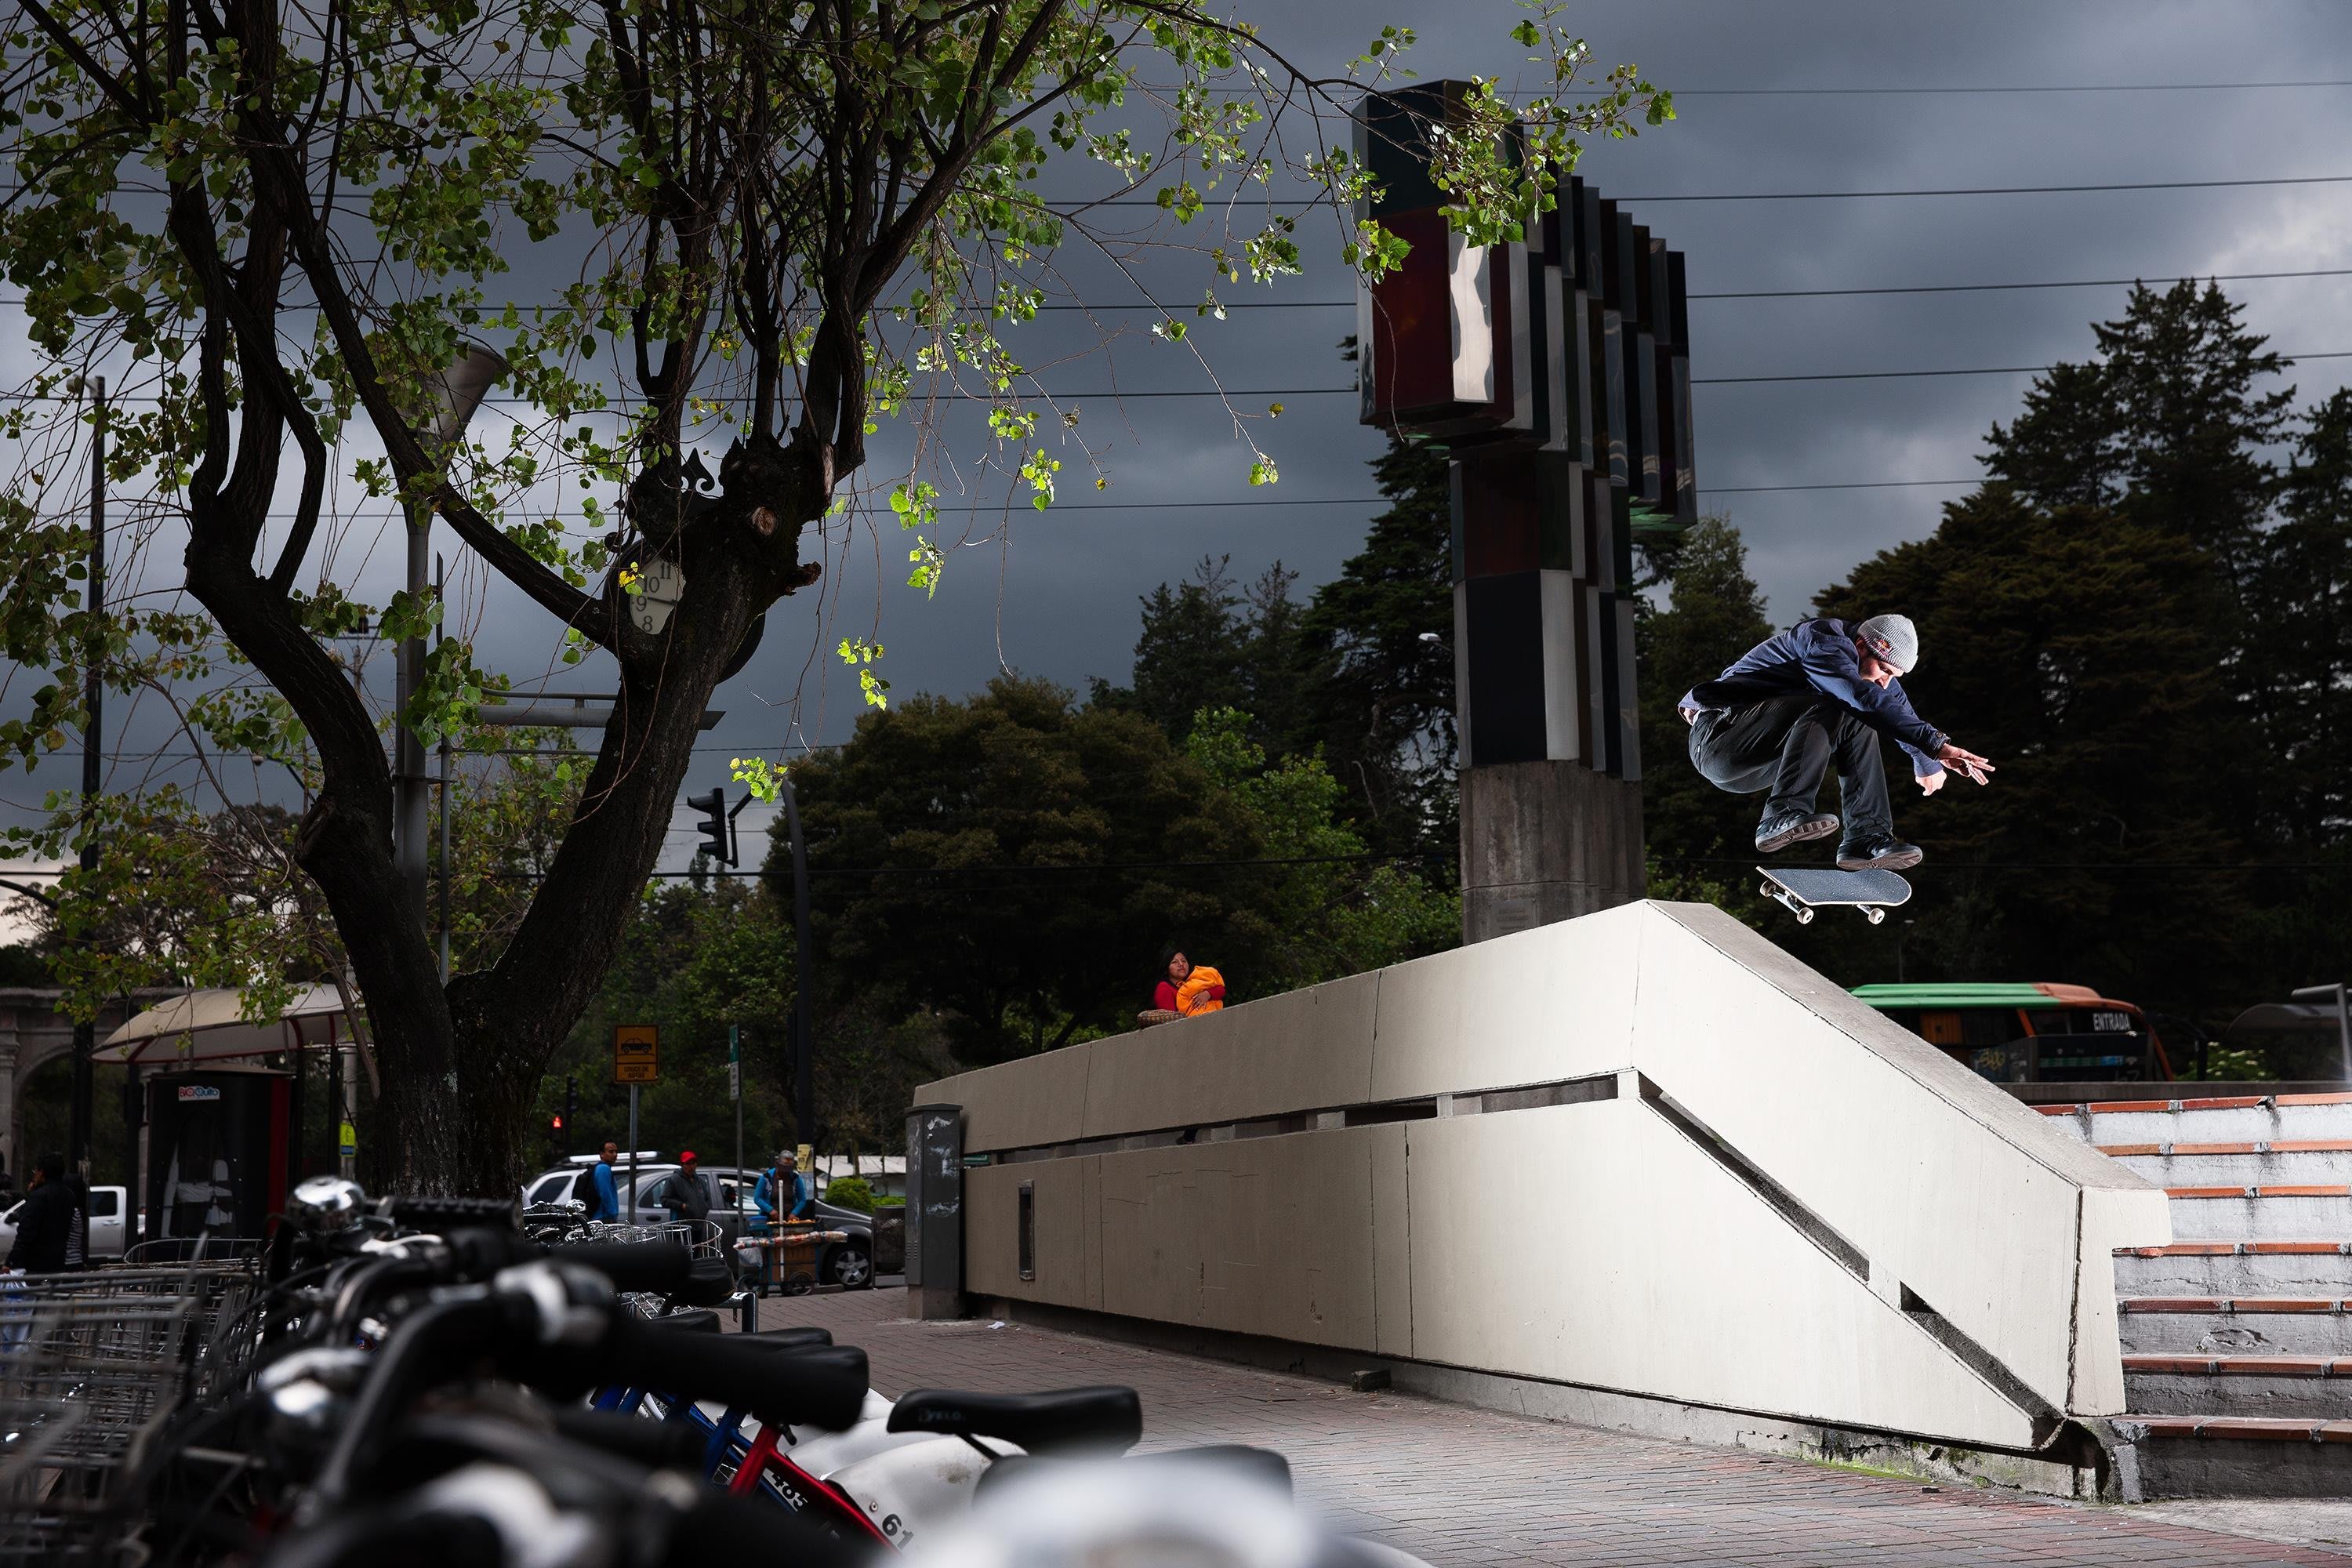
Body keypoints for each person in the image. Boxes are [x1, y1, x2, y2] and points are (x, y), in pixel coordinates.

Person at [1679, 613, 1994, 871]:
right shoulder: (1823, 641)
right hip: (1720, 739)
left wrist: (1927, 760)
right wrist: (1936, 745)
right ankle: (1782, 812)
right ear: (1861, 645)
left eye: (1894, 677)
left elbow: (1895, 709)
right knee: (1841, 703)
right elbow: (1861, 697)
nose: (1885, 681)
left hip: (1758, 768)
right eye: (1884, 670)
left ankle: (1865, 836)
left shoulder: (1875, 676)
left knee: (1858, 716)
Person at [5, 1152, 75, 1273]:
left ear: (41, 1172)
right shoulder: (69, 1195)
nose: (34, 1175)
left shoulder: (39, 1196)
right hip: (58, 1261)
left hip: (36, 1263)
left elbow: (26, 1231)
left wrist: (10, 1262)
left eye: (35, 1171)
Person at [1154, 949, 1227, 1018]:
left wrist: (1207, 994)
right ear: (1166, 968)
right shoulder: (1164, 987)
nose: (1181, 964)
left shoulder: (1192, 982)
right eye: (1174, 962)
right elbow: (1169, 1020)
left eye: (1184, 961)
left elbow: (1221, 990)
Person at [753, 1151, 811, 1232]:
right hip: (770, 1217)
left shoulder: (795, 1179)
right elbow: (757, 1198)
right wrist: (770, 1210)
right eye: (783, 1168)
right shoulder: (766, 1177)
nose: (786, 1172)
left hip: (789, 1218)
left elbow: (802, 1200)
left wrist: (794, 1213)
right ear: (777, 1165)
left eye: (788, 1169)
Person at [574, 1141, 622, 1222]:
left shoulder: (601, 1168)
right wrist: (613, 1214)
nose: (615, 1154)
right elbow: (605, 1194)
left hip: (599, 1217)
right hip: (603, 1217)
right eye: (611, 1152)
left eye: (616, 1152)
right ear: (602, 1154)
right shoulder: (603, 1169)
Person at [661, 1150, 713, 1223]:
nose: (691, 1166)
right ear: (682, 1165)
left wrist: (704, 1209)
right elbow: (664, 1200)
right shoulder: (674, 1180)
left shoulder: (701, 1181)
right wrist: (682, 1206)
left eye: (693, 1163)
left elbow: (706, 1199)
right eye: (688, 1164)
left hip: (699, 1224)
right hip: (681, 1225)